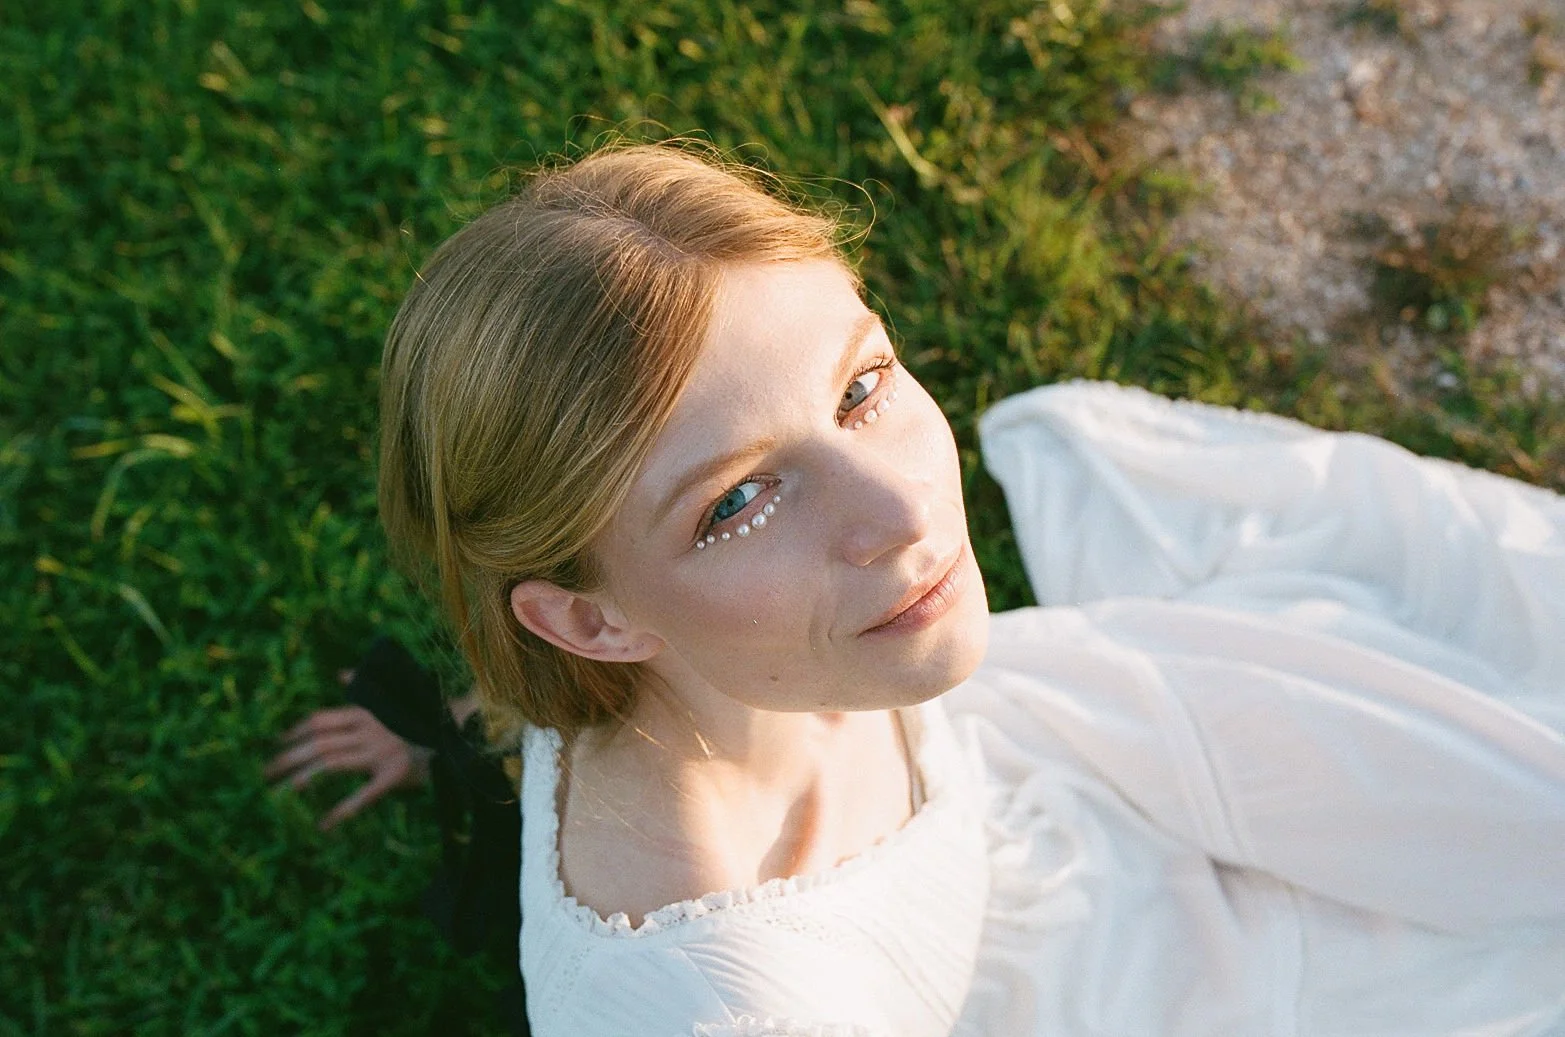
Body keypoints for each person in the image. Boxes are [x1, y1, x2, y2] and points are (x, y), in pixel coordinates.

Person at [369, 141, 1565, 1036]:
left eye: (859, 387)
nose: (900, 511)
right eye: (735, 502)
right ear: (591, 620)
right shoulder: (735, 1006)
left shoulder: (721, 655)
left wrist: (450, 731)